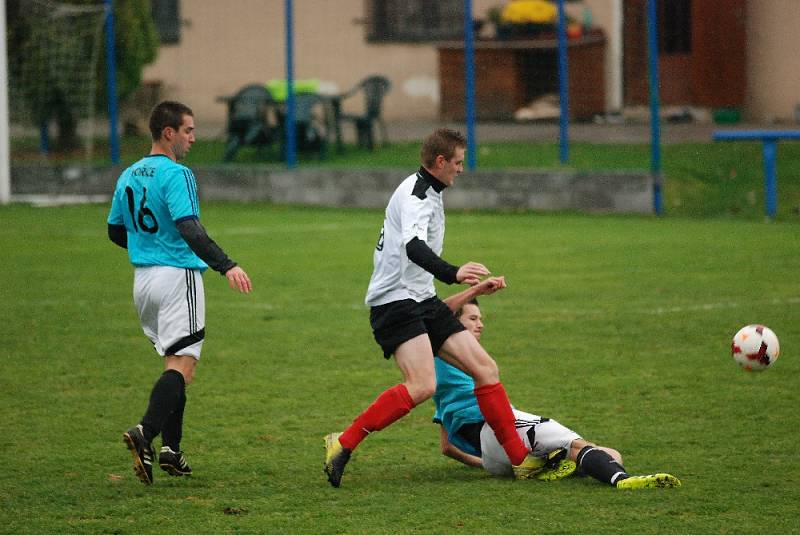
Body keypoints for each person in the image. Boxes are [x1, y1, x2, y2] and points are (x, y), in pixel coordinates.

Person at [324, 128, 545, 488]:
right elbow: (413, 247)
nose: (461, 169)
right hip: (394, 302)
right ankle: (343, 442)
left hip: (421, 298)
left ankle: (520, 460)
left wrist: (463, 284)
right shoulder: (415, 195)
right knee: (422, 385)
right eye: (457, 162)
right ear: (440, 162)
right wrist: (453, 273)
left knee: (485, 368)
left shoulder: (431, 192)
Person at [107, 101, 253, 485]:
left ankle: (172, 450)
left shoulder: (129, 174)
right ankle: (145, 433)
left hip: (144, 283)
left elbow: (115, 231)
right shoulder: (177, 174)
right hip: (177, 277)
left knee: (174, 364)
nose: (193, 137)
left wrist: (149, 247)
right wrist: (227, 264)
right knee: (183, 365)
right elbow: (189, 227)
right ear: (168, 133)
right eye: (188, 130)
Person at [433, 277, 682, 489]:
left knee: (609, 454)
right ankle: (623, 481)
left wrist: (487, 464)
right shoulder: (451, 351)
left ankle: (567, 466)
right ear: (454, 323)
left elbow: (446, 447)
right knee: (580, 446)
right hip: (498, 427)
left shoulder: (441, 370)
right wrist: (475, 290)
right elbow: (439, 313)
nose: (481, 324)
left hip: (495, 456)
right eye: (473, 318)